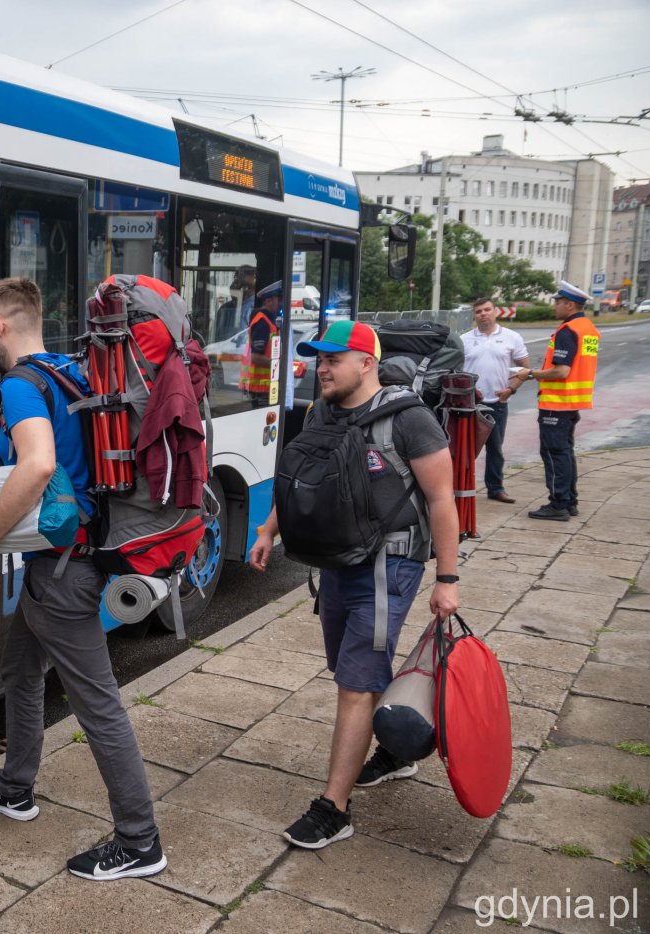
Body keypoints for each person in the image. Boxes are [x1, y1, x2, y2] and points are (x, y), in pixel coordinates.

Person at [0, 277, 165, 881]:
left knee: (98, 705)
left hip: (64, 572)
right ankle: (16, 787)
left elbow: (38, 464)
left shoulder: (21, 383)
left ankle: (140, 840)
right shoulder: (72, 370)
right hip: (74, 558)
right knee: (21, 670)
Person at [249, 320, 460, 850]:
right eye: (318, 358)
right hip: (338, 559)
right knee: (352, 669)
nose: (321, 368)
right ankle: (393, 751)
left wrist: (448, 579)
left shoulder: (411, 420)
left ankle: (333, 810)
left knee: (356, 683)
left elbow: (441, 501)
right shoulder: (323, 412)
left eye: (333, 358)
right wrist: (267, 530)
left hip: (390, 564)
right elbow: (301, 480)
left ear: (366, 363)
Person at [510, 282, 600, 521]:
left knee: (554, 454)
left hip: (557, 402)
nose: (555, 307)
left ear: (570, 305)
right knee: (565, 452)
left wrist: (528, 374)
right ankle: (569, 500)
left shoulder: (567, 331)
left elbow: (561, 371)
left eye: (558, 303)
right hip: (572, 401)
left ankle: (558, 503)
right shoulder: (587, 328)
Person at [461, 297, 530, 503]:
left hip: (497, 402)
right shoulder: (464, 339)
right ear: (474, 315)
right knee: (465, 448)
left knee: (495, 448)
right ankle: (462, 486)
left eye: (487, 309)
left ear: (495, 312)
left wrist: (511, 389)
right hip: (469, 403)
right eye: (479, 311)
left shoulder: (512, 337)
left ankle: (495, 488)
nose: (483, 314)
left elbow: (525, 369)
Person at [239, 280, 282, 407]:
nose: (281, 304)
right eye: (278, 300)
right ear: (268, 301)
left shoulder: (269, 321)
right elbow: (256, 357)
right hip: (261, 390)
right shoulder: (262, 322)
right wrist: (279, 365)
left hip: (265, 388)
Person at [215, 264, 257, 338]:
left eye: (246, 287)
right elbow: (218, 335)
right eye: (238, 285)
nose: (241, 290)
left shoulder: (254, 307)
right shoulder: (225, 309)